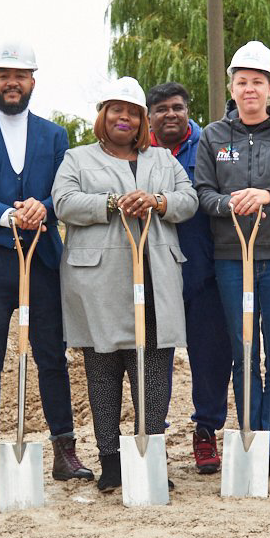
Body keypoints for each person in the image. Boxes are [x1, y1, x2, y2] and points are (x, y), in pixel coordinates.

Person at [0, 41, 92, 489]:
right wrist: (6, 214)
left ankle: (64, 451)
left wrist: (43, 207)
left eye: (20, 76)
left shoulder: (54, 135)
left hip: (43, 261)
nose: (12, 83)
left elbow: (63, 189)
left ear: (32, 81)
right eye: (4, 75)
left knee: (52, 358)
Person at [52, 78, 199, 493]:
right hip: (98, 282)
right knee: (103, 372)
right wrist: (111, 203)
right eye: (117, 110)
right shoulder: (78, 158)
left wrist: (158, 201)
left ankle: (150, 456)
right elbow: (63, 202)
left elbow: (188, 199)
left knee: (153, 373)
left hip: (154, 279)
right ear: (104, 115)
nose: (125, 118)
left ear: (142, 121)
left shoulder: (163, 159)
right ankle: (111, 461)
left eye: (133, 112)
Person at [193, 41, 270, 485]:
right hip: (231, 259)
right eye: (242, 81)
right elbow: (202, 193)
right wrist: (229, 204)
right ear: (232, 87)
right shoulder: (213, 136)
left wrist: (267, 195)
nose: (250, 89)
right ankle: (251, 439)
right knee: (244, 354)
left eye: (258, 82)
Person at [148, 82, 234, 475]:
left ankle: (206, 431)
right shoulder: (138, 150)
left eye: (177, 107)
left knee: (211, 357)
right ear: (149, 116)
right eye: (161, 109)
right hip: (154, 272)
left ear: (188, 110)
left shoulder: (210, 145)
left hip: (206, 269)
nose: (170, 114)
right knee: (155, 358)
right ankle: (153, 434)